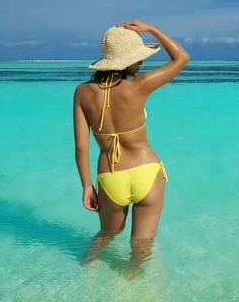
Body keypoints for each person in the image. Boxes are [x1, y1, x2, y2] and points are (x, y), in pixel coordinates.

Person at [73, 19, 190, 278]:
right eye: (138, 58)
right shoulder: (139, 86)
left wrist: (86, 186)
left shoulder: (82, 92)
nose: (141, 63)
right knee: (141, 245)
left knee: (106, 235)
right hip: (146, 171)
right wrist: (154, 30)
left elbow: (81, 148)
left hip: (110, 176)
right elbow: (182, 57)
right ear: (125, 61)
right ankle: (131, 279)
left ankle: (86, 272)